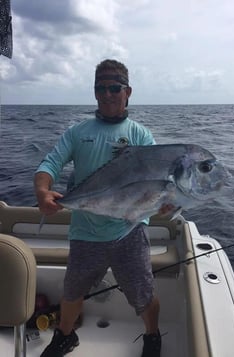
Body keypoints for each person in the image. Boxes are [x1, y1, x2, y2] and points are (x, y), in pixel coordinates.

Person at [34, 59, 162, 357]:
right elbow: (50, 163)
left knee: (143, 294)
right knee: (72, 293)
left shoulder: (141, 136)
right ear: (94, 93)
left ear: (127, 91)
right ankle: (65, 336)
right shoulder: (77, 133)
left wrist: (162, 203)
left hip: (128, 231)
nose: (107, 94)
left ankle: (153, 336)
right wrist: (42, 190)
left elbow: (154, 182)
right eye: (100, 88)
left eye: (114, 87)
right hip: (85, 233)